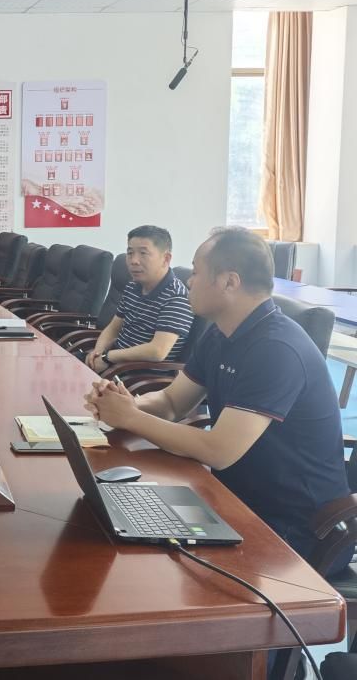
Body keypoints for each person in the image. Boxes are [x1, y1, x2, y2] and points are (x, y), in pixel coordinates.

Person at [85, 227, 351, 571]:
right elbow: (171, 403)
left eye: (196, 272)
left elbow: (219, 451)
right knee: (112, 529)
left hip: (294, 527)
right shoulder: (220, 335)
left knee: (143, 567)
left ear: (229, 282)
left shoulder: (276, 348)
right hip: (233, 499)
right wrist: (126, 404)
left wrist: (132, 419)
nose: (189, 281)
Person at [84, 225, 194, 372]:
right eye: (130, 253)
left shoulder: (177, 297)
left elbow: (157, 351)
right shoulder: (132, 286)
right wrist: (98, 354)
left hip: (138, 375)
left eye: (143, 253)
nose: (134, 261)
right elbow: (113, 327)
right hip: (115, 363)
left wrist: (107, 357)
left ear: (166, 258)